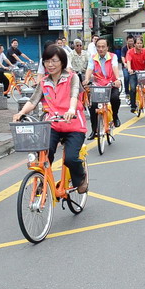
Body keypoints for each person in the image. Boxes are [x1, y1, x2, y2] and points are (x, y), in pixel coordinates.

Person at [12, 44, 88, 193]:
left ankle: (81, 178)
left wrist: (71, 110)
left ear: (62, 62)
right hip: (52, 125)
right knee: (44, 154)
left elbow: (74, 95)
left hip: (73, 125)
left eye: (54, 61)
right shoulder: (44, 82)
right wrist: (20, 113)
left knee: (70, 159)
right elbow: (33, 101)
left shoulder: (72, 78)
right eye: (47, 61)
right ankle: (43, 180)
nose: (50, 65)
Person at [84, 37, 123, 138]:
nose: (100, 49)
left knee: (115, 98)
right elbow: (89, 69)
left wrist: (117, 79)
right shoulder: (93, 58)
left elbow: (115, 67)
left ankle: (115, 116)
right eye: (98, 47)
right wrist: (87, 79)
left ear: (107, 48)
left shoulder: (113, 56)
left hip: (111, 84)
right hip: (98, 86)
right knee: (93, 107)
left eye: (103, 47)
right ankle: (94, 130)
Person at [125, 36, 145, 112]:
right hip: (134, 72)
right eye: (138, 43)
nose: (139, 45)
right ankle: (133, 105)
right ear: (134, 44)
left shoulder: (144, 51)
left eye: (141, 43)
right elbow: (128, 61)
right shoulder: (130, 52)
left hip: (143, 71)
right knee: (133, 88)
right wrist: (129, 69)